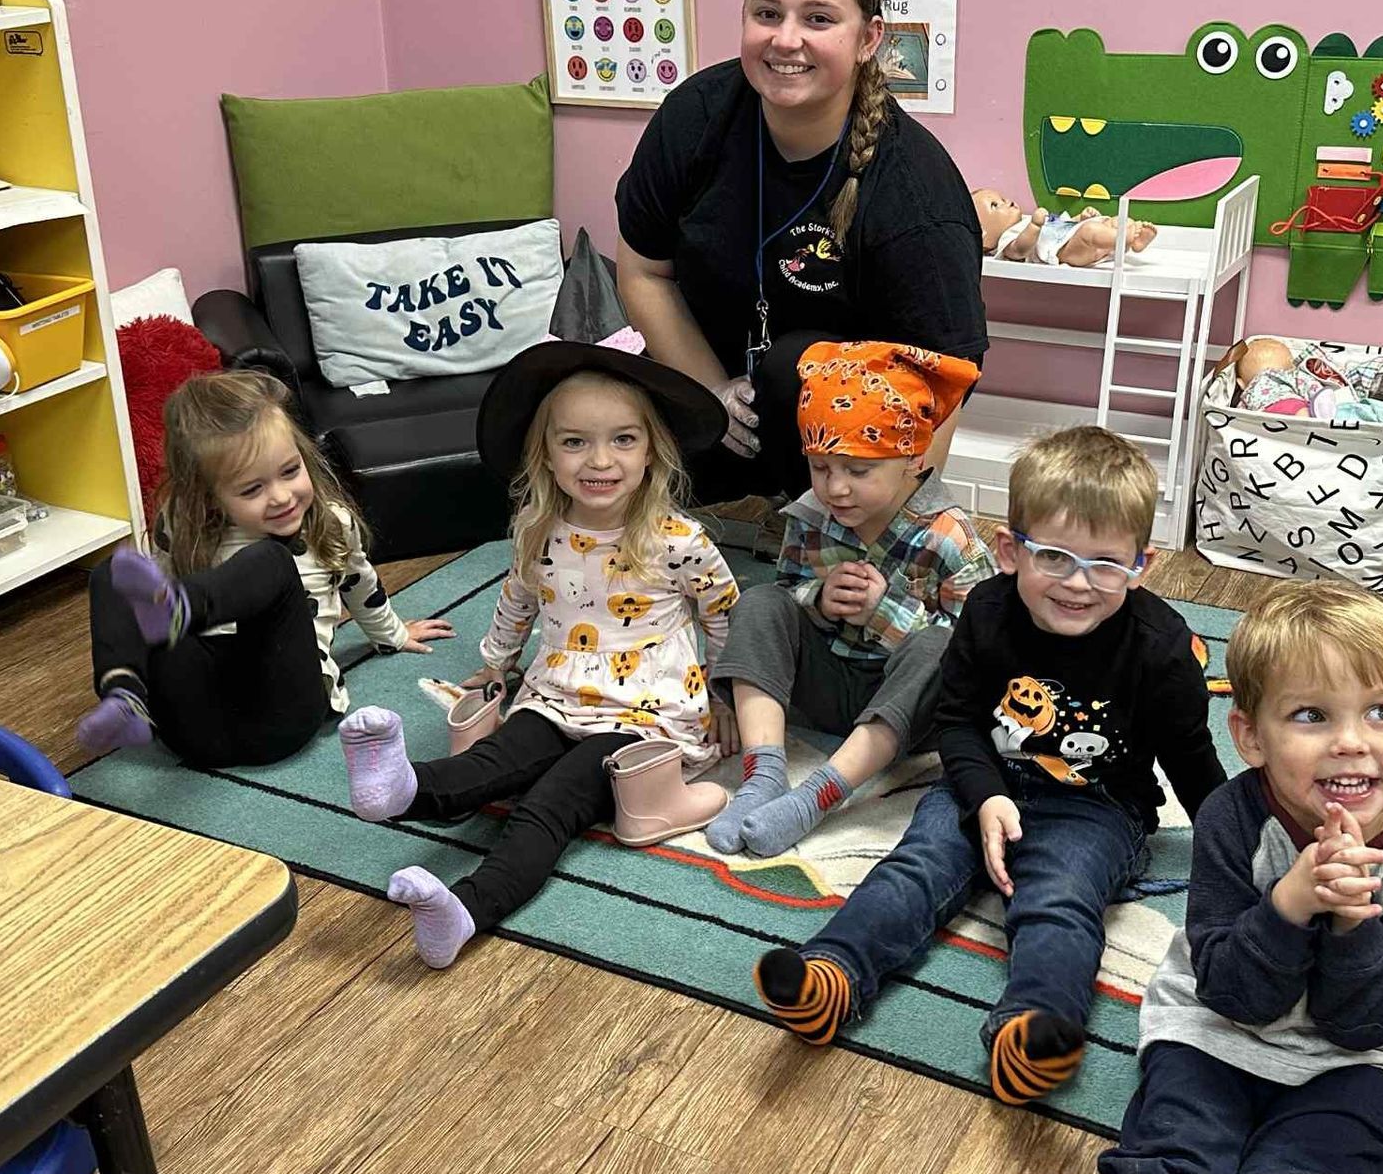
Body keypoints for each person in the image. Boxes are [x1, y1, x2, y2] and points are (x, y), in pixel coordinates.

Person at [753, 426, 1225, 1102]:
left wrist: (1243, 844)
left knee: (1059, 901)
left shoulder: (1160, 646)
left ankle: (1035, 1028)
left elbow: (1190, 757)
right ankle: (831, 971)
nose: (1079, 584)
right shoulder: (985, 611)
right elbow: (959, 721)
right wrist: (984, 796)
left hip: (1096, 808)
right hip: (981, 784)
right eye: (1055, 558)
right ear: (1009, 550)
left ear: (1141, 565)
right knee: (915, 867)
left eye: (1105, 564)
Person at [1079, 580, 1383, 1174]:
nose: (1351, 742)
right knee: (1174, 1162)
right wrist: (1287, 906)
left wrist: (1352, 925)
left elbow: (1374, 1024)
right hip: (1215, 1029)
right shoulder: (1232, 817)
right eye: (1313, 715)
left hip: (1354, 1063)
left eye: (1381, 712)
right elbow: (1231, 993)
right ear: (1251, 736)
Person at [338, 342, 742, 969]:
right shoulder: (537, 527)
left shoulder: (678, 539)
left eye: (623, 440)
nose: (600, 460)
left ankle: (468, 908)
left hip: (644, 716)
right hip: (555, 692)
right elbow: (519, 599)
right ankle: (399, 789)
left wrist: (726, 695)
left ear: (651, 451)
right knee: (495, 759)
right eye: (576, 442)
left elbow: (724, 616)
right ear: (547, 457)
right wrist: (497, 661)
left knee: (546, 807)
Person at [615, 0, 987, 500]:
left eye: (818, 19)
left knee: (795, 365)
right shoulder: (695, 118)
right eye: (767, 14)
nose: (786, 40)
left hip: (849, 444)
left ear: (869, 39)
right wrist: (714, 396)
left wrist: (893, 535)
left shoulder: (915, 196)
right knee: (575, 417)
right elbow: (642, 271)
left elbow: (941, 384)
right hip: (711, 396)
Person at [77, 369, 454, 768]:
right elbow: (143, 597)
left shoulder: (330, 522)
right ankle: (125, 698)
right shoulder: (182, 523)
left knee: (272, 559)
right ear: (208, 496)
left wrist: (393, 634)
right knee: (113, 572)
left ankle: (180, 609)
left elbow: (360, 582)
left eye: (290, 472)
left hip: (282, 716)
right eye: (251, 489)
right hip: (194, 726)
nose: (280, 497)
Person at [706, 339, 990, 857]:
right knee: (761, 601)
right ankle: (763, 774)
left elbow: (980, 652)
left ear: (913, 457)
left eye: (858, 471)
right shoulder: (811, 516)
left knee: (942, 650)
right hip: (823, 688)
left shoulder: (951, 537)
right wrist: (816, 600)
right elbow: (790, 587)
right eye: (820, 467)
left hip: (906, 712)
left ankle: (820, 794)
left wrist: (885, 613)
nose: (835, 488)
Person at [971, 187, 1158, 268]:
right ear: (984, 237)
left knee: (1112, 221)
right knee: (1090, 232)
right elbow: (1019, 251)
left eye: (1001, 198)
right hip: (1068, 251)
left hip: (1073, 237)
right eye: (995, 205)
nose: (1006, 201)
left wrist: (1079, 218)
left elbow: (1059, 226)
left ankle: (1133, 240)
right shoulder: (1008, 238)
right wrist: (1035, 226)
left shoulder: (1026, 220)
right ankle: (1125, 238)